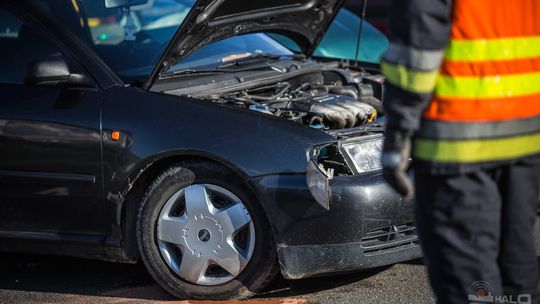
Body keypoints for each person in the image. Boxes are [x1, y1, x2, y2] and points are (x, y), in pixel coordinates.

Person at [380, 0, 540, 303]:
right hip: (527, 137)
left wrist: (398, 133)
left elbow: (418, 50)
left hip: (458, 145)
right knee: (515, 269)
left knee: (469, 278)